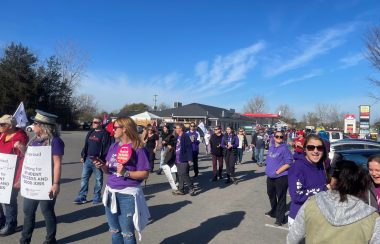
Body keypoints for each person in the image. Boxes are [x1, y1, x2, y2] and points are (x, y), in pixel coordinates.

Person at [287, 160, 380, 244]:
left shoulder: (312, 202)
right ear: (361, 184)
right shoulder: (373, 217)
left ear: (334, 180)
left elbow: (292, 239)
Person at [94, 117, 150, 244]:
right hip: (110, 192)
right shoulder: (114, 146)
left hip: (127, 194)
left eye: (115, 127)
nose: (113, 130)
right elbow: (108, 171)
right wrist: (102, 166)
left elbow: (145, 174)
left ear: (124, 129)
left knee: (127, 234)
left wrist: (126, 172)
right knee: (114, 231)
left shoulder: (138, 148)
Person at [20, 110, 64, 244]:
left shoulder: (55, 142)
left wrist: (56, 183)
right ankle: (24, 240)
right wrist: (22, 149)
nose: (33, 125)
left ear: (43, 126)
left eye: (35, 123)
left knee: (47, 211)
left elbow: (57, 164)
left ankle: (50, 240)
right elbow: (30, 160)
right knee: (28, 211)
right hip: (32, 183)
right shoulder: (34, 140)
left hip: (47, 183)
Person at [287, 134, 329, 226]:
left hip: (318, 218)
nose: (315, 151)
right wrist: (324, 189)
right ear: (305, 149)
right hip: (300, 219)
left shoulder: (320, 165)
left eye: (319, 148)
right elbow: (297, 196)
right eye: (311, 147)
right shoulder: (297, 167)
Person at [0, 115, 28, 236]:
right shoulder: (2, 135)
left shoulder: (20, 137)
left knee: (9, 200)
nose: (0, 126)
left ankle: (10, 224)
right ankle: (2, 221)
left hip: (12, 174)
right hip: (1, 172)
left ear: (10, 126)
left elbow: (24, 159)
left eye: (2, 124)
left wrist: (19, 178)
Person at [74, 117, 111, 205]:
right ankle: (82, 196)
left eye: (95, 122)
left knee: (98, 179)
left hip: (97, 160)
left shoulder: (105, 134)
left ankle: (96, 197)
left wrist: (102, 161)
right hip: (87, 159)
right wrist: (83, 155)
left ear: (101, 123)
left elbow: (107, 148)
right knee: (84, 178)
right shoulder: (91, 132)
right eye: (92, 122)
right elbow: (86, 145)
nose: (93, 123)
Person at [265, 130, 293, 226]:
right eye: (277, 136)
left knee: (281, 197)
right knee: (271, 194)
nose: (279, 138)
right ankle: (274, 211)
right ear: (274, 137)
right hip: (270, 176)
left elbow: (289, 163)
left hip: (281, 177)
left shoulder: (284, 148)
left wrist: (277, 171)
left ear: (284, 138)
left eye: (281, 137)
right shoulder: (271, 147)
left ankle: (280, 218)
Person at [172, 124, 195, 196]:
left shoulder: (185, 136)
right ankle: (181, 190)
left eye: (176, 128)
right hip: (177, 159)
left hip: (184, 159)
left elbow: (189, 148)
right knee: (179, 174)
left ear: (180, 129)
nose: (175, 129)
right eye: (175, 128)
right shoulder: (177, 136)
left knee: (183, 173)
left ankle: (191, 187)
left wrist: (190, 159)